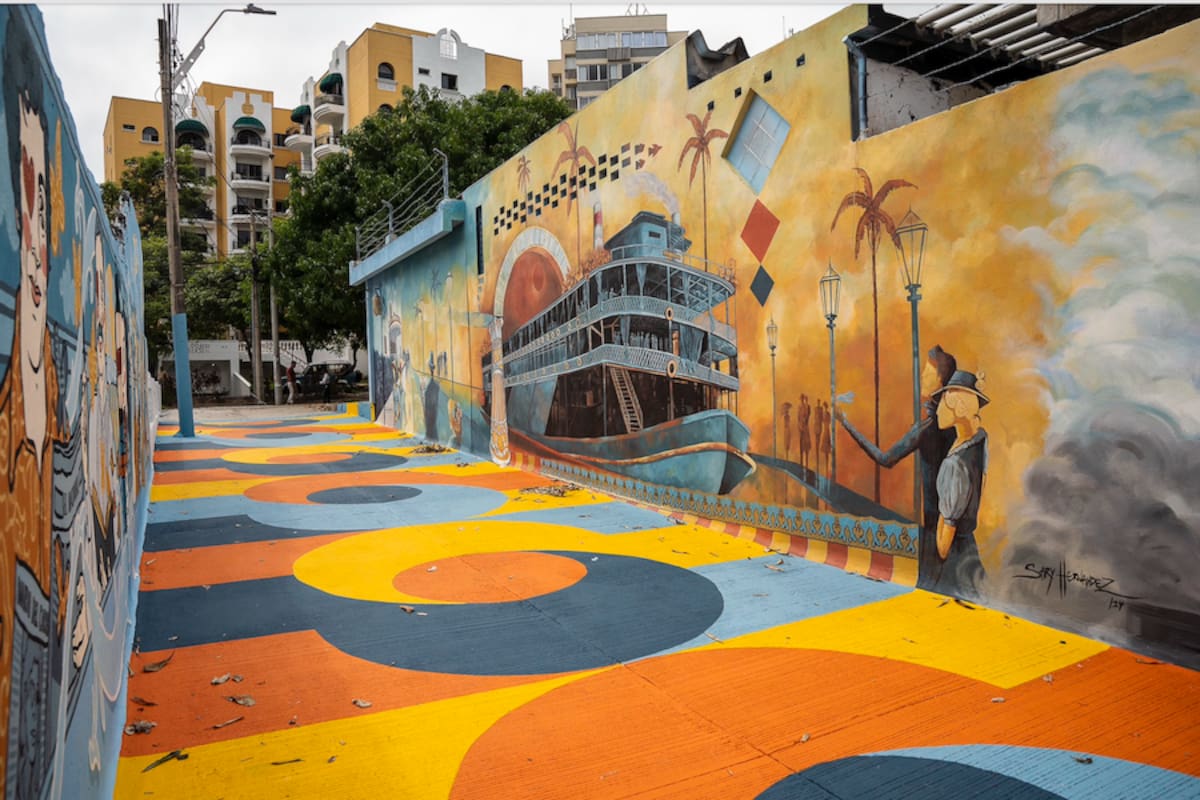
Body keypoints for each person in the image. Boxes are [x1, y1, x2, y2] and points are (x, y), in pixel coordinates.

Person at [836, 345, 958, 590]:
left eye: (927, 373)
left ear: (940, 381)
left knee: (929, 588)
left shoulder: (927, 427)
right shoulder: (952, 423)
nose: (921, 377)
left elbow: (885, 458)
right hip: (953, 527)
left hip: (934, 530)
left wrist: (845, 423)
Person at [933, 369, 990, 597]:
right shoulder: (979, 439)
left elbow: (943, 548)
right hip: (970, 550)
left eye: (943, 402)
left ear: (958, 408)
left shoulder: (954, 465)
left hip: (956, 559)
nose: (938, 409)